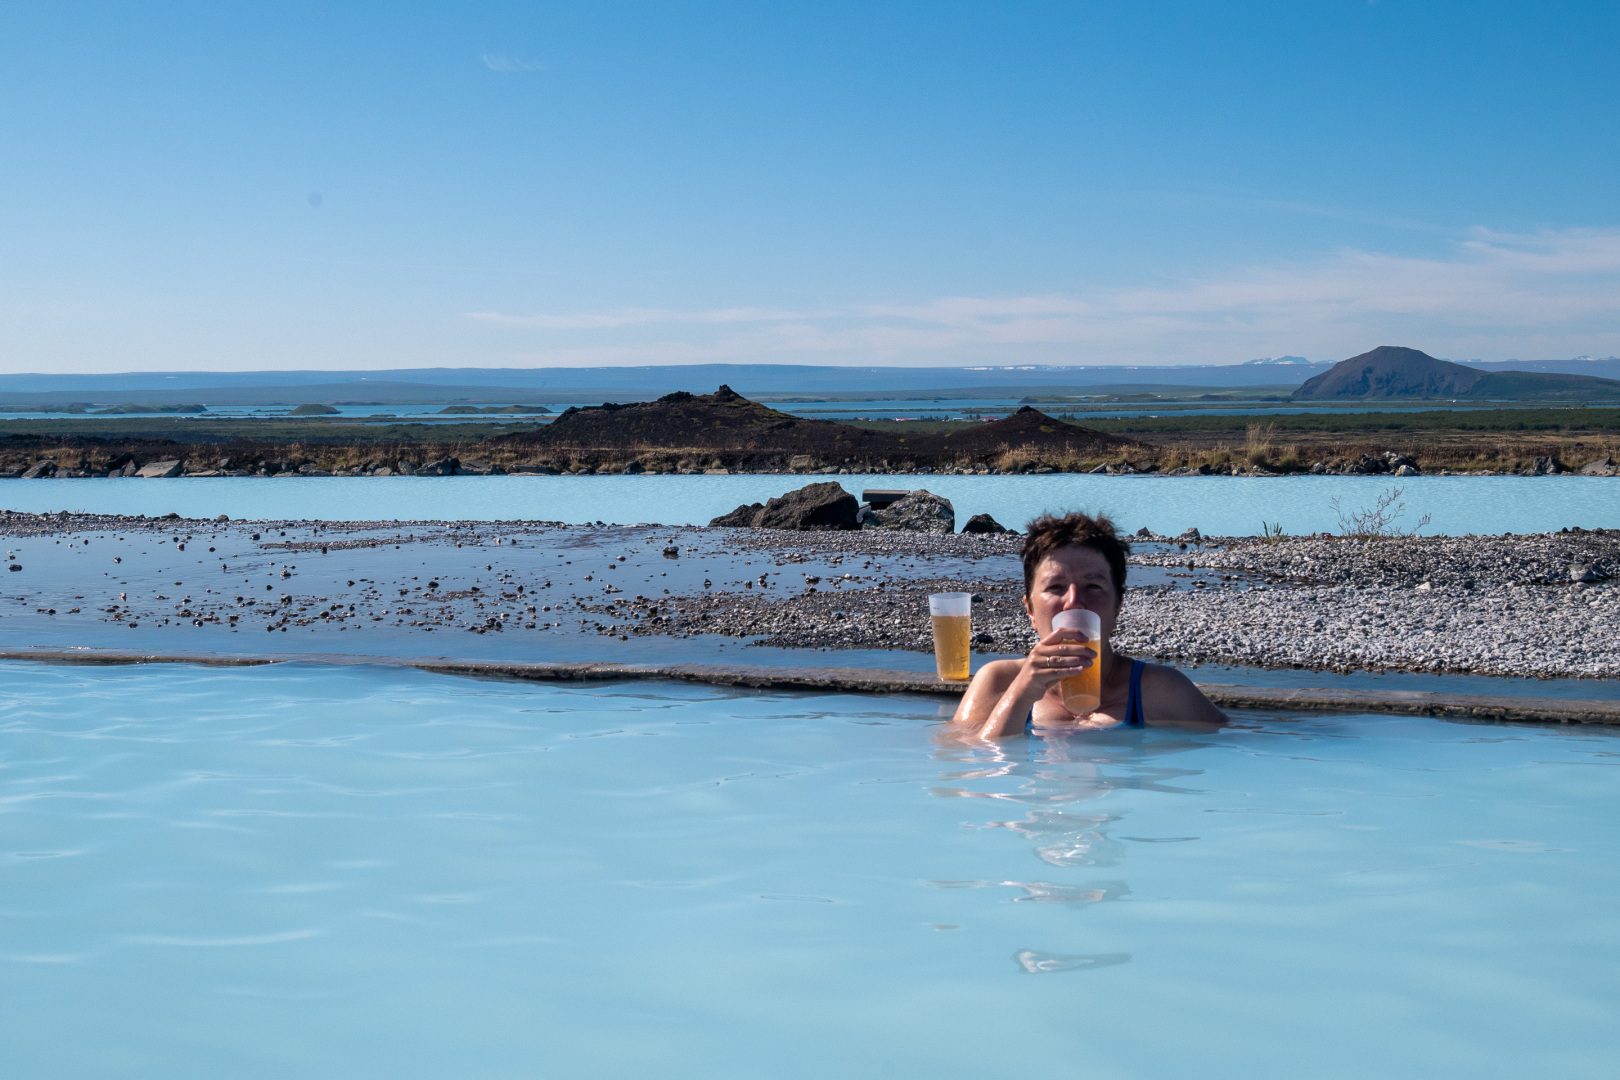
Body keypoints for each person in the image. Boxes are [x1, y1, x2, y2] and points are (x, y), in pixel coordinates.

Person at [952, 511, 1226, 738]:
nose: (1074, 602)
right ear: (1030, 609)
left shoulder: (1161, 691)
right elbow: (962, 767)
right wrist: (1021, 694)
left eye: (1093, 586)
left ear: (1117, 605)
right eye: (1056, 587)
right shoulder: (999, 682)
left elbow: (1233, 750)